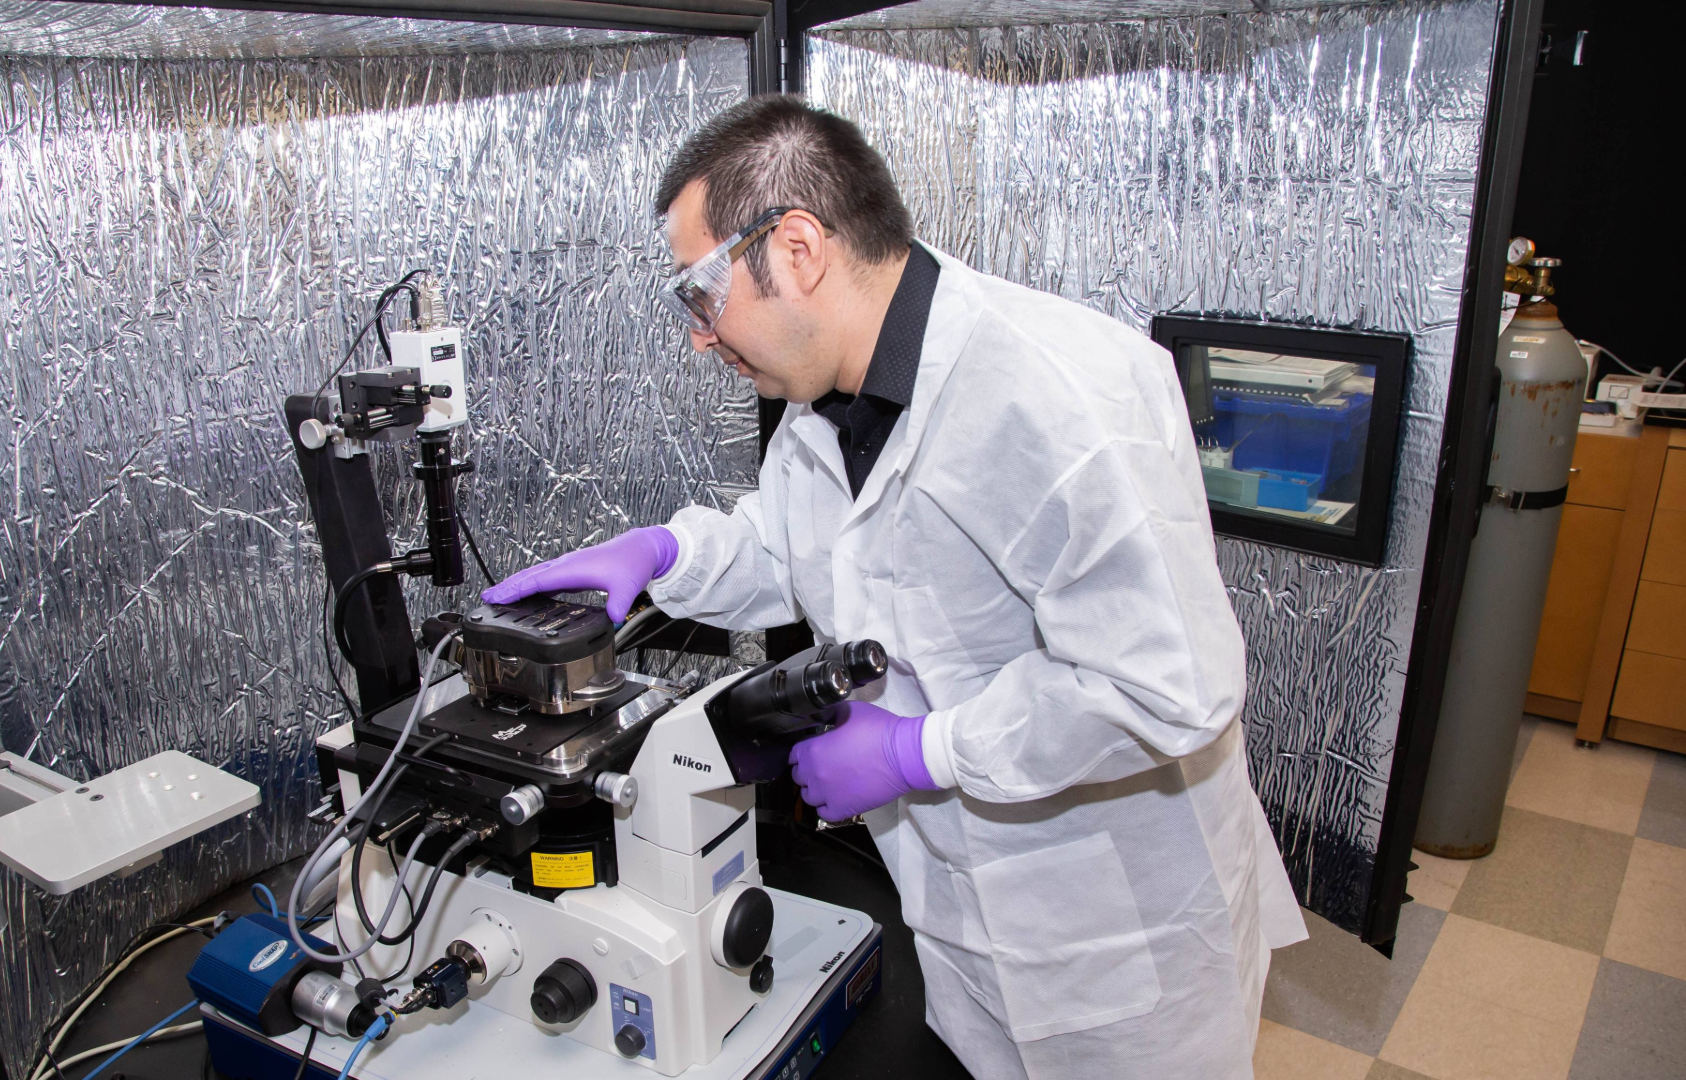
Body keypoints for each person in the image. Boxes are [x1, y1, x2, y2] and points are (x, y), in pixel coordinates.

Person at [482, 95, 1307, 1080]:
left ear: (795, 248)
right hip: (963, 910)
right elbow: (794, 553)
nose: (699, 334)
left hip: (1119, 935)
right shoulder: (833, 402)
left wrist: (919, 749)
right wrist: (664, 556)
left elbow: (1167, 687)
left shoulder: (1063, 394)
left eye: (698, 293)